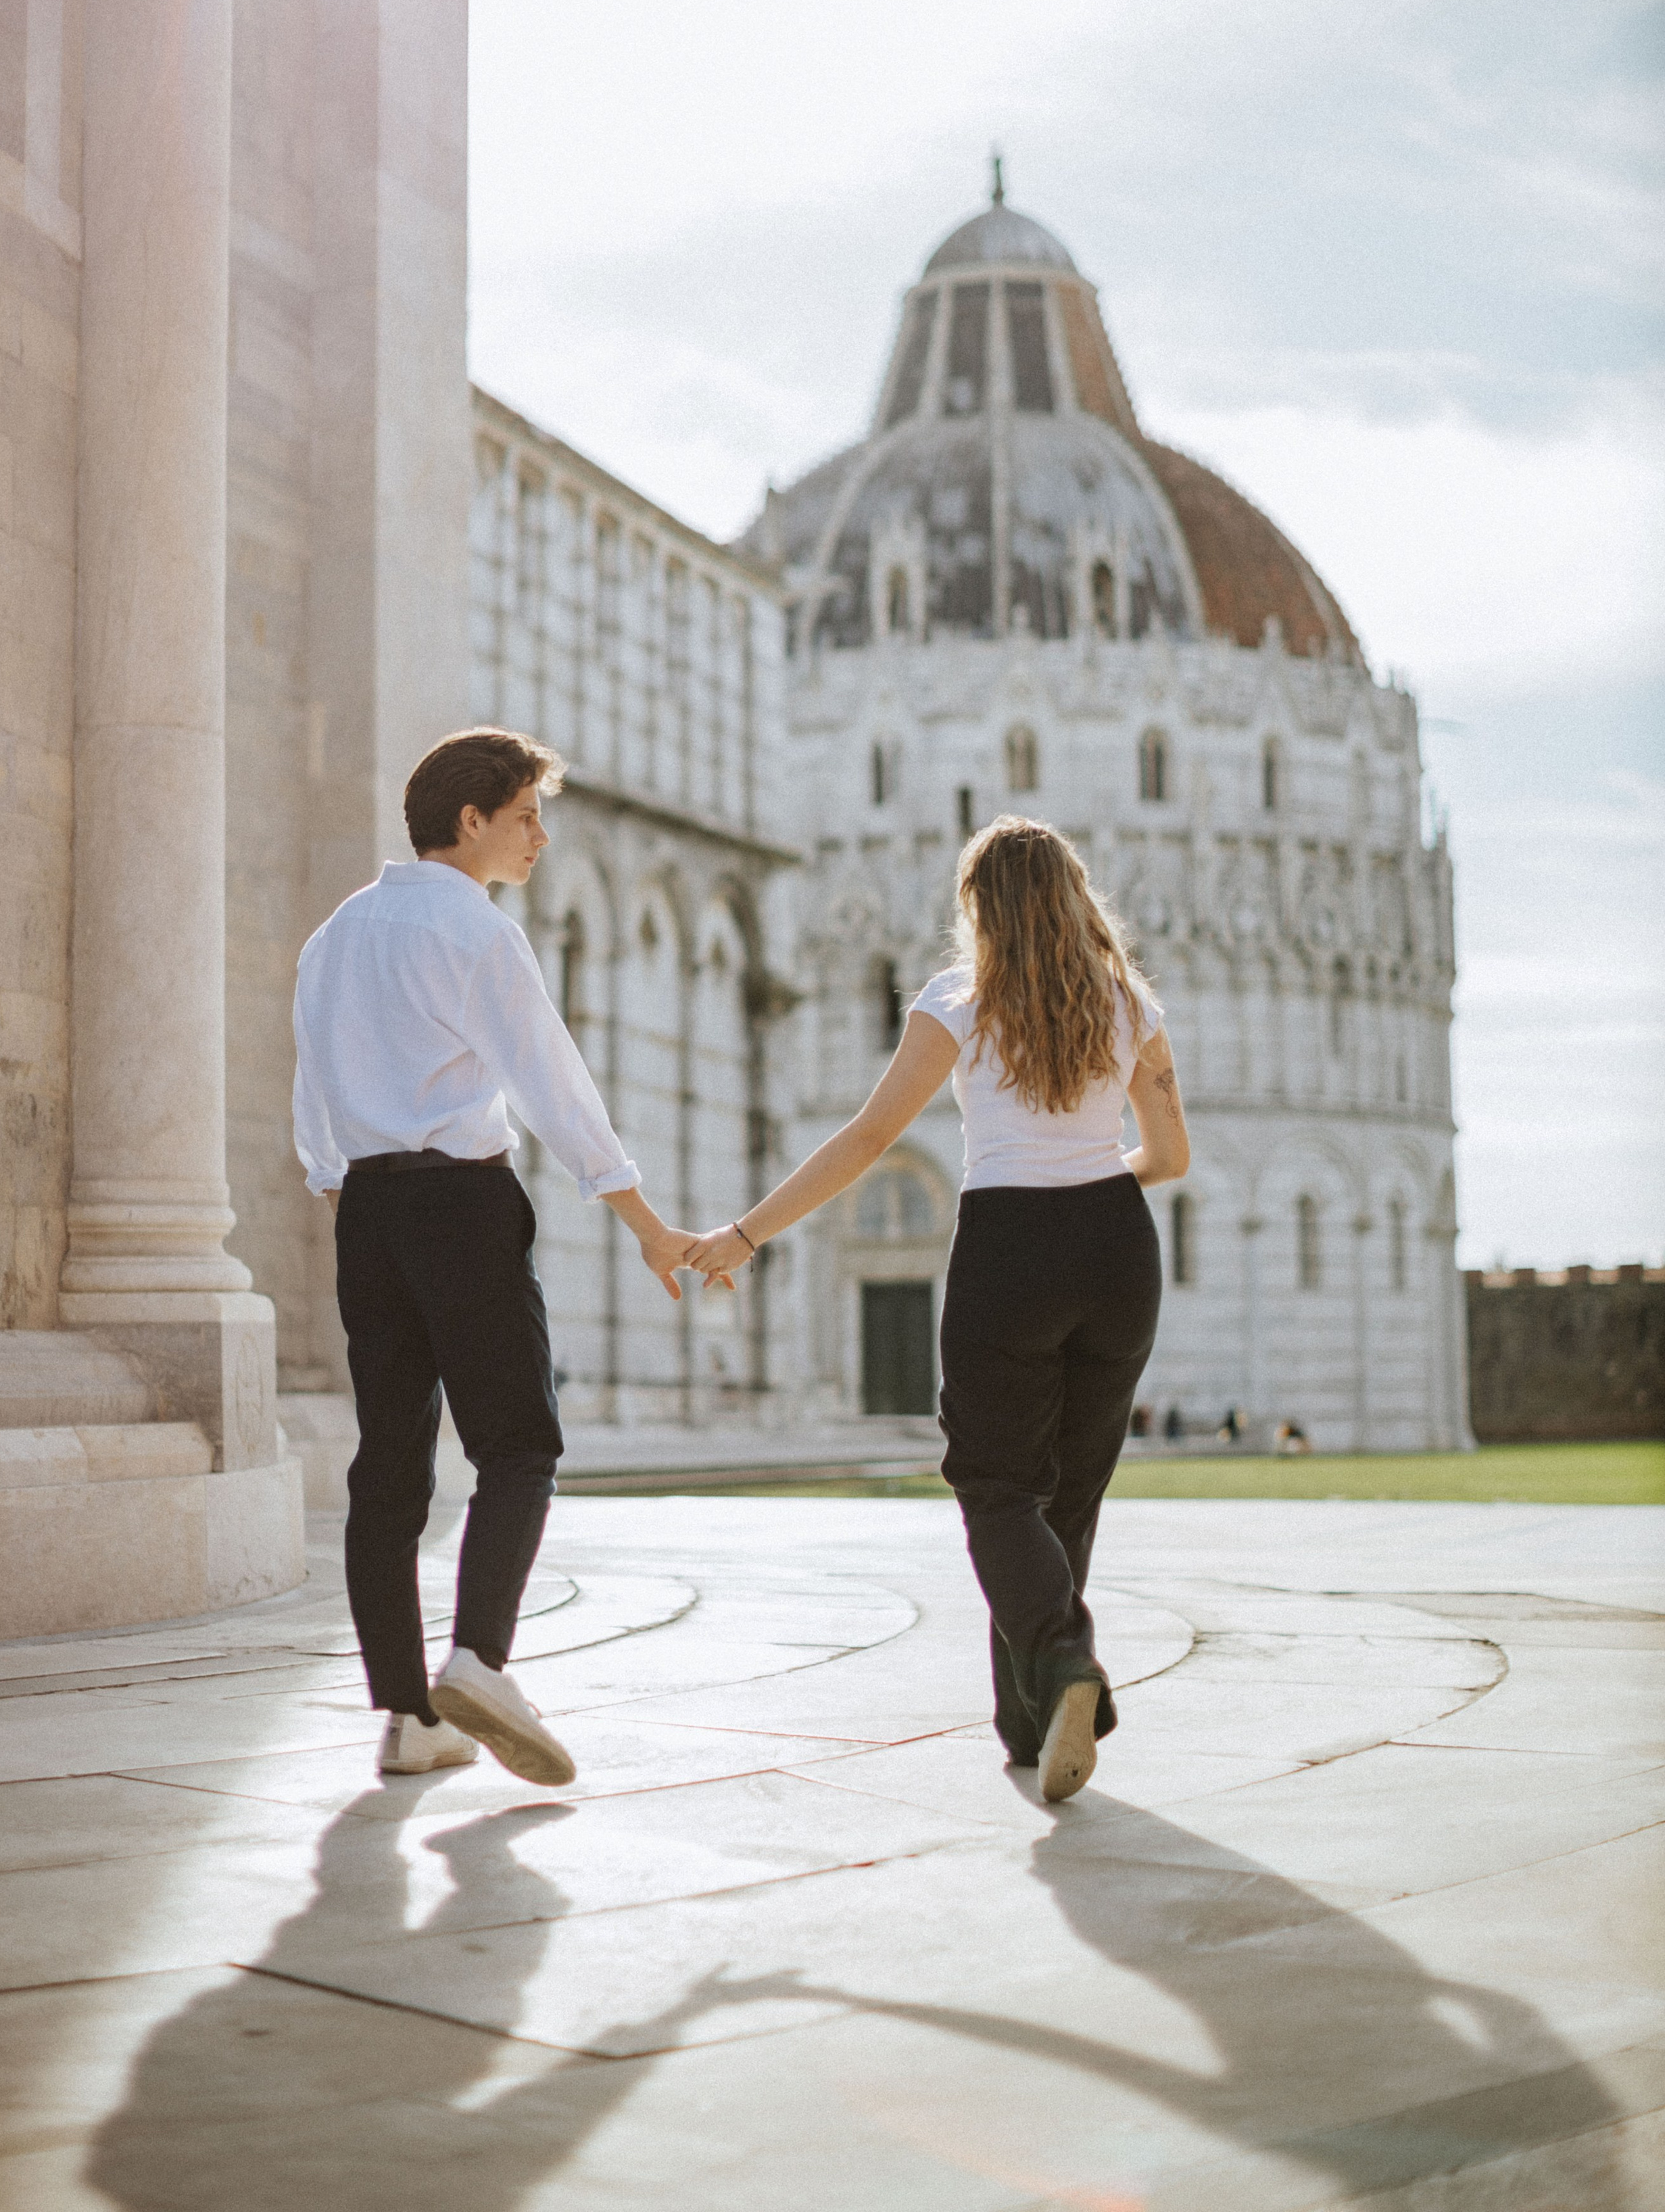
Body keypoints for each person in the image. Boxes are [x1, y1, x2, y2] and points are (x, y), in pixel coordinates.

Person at [685, 815, 1190, 1804]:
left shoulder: (957, 1001)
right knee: (1069, 1496)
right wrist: (1096, 1184)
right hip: (1119, 1246)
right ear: (1076, 897)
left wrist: (746, 1233)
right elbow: (1170, 1158)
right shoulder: (1130, 1006)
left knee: (993, 1485)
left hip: (1010, 1244)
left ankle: (1067, 1662)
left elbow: (871, 1137)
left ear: (978, 910)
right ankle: (1032, 1720)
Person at [293, 727, 706, 1784]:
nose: (542, 838)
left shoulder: (333, 937)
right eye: (527, 816)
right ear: (470, 821)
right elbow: (552, 1086)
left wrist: (357, 1197)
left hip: (367, 1212)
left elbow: (313, 1110)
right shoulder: (474, 932)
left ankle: (407, 1719)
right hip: (463, 1205)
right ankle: (479, 1661)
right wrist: (648, 1225)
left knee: (387, 1469)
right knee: (519, 1446)